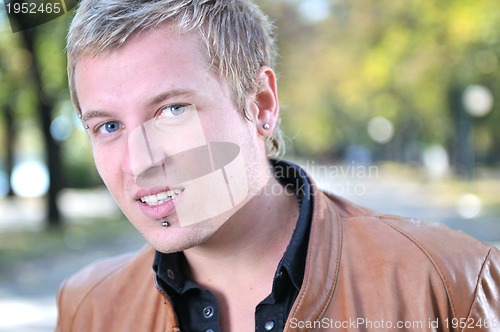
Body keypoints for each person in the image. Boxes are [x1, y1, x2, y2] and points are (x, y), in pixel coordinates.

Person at [56, 0, 500, 331]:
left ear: (260, 103)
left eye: (173, 111)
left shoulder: (450, 283)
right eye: (109, 125)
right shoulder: (89, 308)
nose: (140, 162)